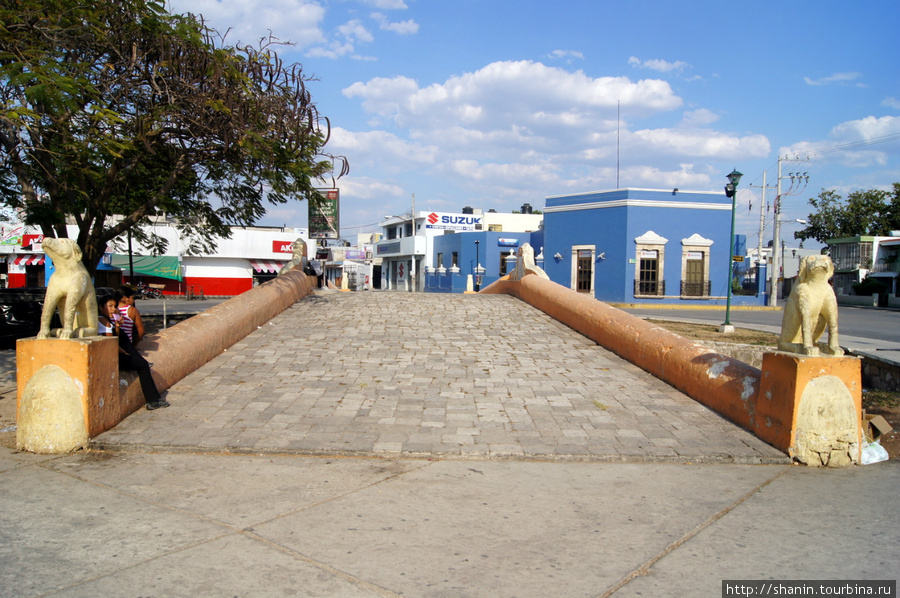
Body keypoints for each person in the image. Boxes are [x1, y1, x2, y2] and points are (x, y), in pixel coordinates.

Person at [99, 294, 169, 410]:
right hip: (113, 357)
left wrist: (117, 326)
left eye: (114, 306)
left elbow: (115, 337)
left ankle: (154, 399)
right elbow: (111, 343)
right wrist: (123, 352)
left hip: (118, 352)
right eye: (109, 306)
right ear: (101, 307)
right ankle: (152, 400)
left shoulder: (107, 320)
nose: (113, 309)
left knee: (141, 363)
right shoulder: (103, 320)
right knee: (143, 366)